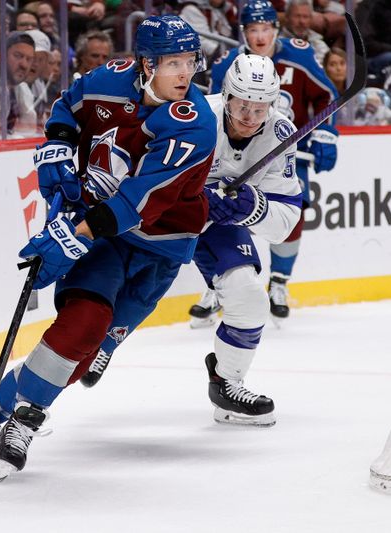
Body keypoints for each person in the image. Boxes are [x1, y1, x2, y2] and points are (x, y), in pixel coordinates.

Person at [0, 15, 216, 480]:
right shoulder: (108, 81)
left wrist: (67, 237)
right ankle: (5, 420)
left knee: (84, 351)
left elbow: (135, 204)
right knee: (83, 324)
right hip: (106, 241)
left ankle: (0, 413)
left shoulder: (194, 124)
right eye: (173, 62)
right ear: (146, 63)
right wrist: (58, 144)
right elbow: (66, 105)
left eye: (190, 61)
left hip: (160, 247)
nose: (185, 73)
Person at [81, 55, 302, 428]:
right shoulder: (193, 115)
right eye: (242, 104)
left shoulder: (280, 135)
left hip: (218, 223)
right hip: (167, 209)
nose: (250, 115)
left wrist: (254, 208)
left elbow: (286, 221)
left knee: (248, 297)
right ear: (227, 96)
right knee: (132, 282)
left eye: (259, 106)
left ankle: (227, 384)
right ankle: (103, 342)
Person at [207, 0, 338, 321]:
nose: (261, 36)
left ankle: (279, 282)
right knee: (224, 212)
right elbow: (211, 111)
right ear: (243, 32)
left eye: (266, 28)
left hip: (284, 151)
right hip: (237, 154)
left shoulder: (299, 55)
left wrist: (326, 133)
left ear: (277, 29)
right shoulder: (227, 65)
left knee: (286, 214)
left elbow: (327, 96)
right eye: (253, 29)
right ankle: (217, 285)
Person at [280, 0, 329, 65]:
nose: (302, 21)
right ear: (287, 17)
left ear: (311, 19)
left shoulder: (319, 44)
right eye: (297, 16)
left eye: (305, 17)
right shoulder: (276, 43)